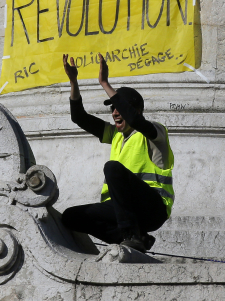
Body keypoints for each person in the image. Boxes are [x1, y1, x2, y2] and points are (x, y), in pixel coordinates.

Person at [60, 53, 174, 252]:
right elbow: (79, 117)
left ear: (136, 110)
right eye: (112, 108)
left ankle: (131, 235)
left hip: (152, 208)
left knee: (112, 168)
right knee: (71, 217)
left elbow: (137, 121)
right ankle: (138, 238)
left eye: (119, 108)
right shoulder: (115, 135)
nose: (114, 112)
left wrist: (104, 83)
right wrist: (73, 82)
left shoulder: (155, 133)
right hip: (124, 211)